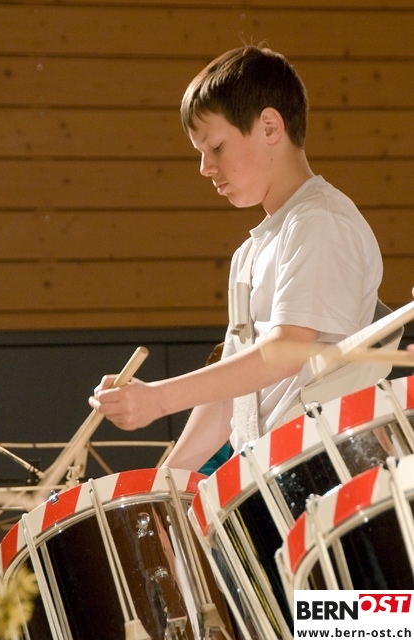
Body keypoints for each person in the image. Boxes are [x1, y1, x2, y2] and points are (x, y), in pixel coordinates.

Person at [89, 45, 386, 472]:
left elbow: (286, 350)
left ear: (269, 127)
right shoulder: (249, 254)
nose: (205, 167)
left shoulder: (320, 221)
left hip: (326, 472)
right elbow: (228, 400)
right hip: (267, 474)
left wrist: (158, 399)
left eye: (215, 147)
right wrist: (164, 485)